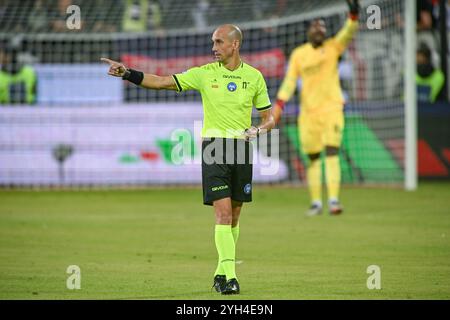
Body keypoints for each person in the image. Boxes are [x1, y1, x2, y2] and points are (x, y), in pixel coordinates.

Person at [101, 24, 274, 295]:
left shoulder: (254, 77)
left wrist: (259, 129)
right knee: (223, 213)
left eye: (218, 42)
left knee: (235, 216)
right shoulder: (204, 74)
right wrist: (127, 73)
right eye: (212, 42)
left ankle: (220, 271)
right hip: (214, 148)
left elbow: (269, 117)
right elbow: (162, 81)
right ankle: (230, 277)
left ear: (234, 45)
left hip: (241, 148)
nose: (213, 48)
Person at [272, 0, 359, 216]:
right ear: (308, 31)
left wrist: (354, 16)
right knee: (312, 158)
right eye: (315, 27)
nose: (319, 30)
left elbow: (347, 33)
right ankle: (316, 203)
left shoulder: (333, 47)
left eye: (322, 27)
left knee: (331, 152)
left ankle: (333, 201)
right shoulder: (299, 55)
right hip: (308, 114)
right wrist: (279, 104)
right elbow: (290, 82)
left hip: (332, 109)